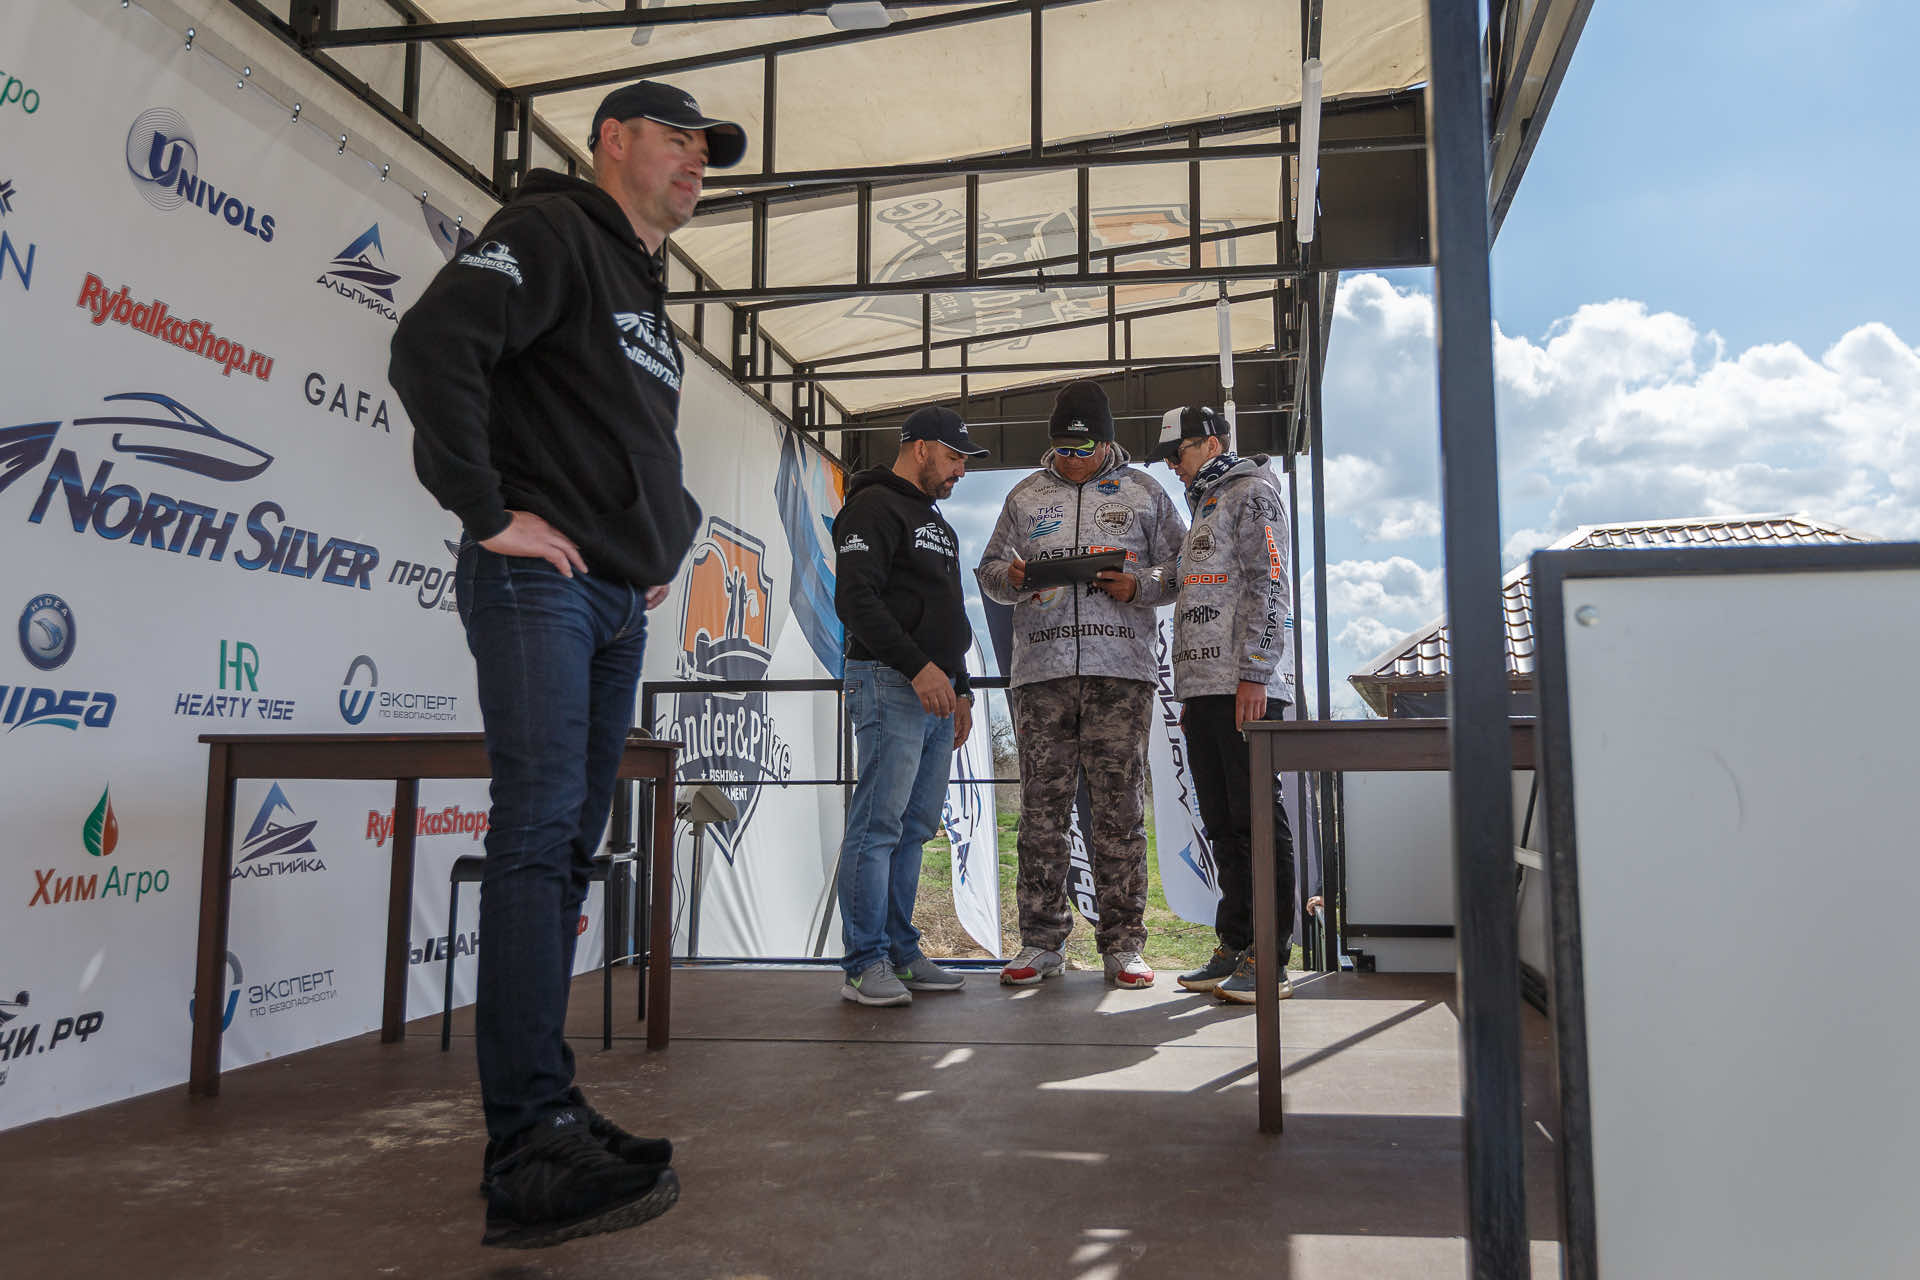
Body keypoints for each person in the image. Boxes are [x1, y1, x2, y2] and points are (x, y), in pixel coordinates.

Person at [390, 80, 747, 1249]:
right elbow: (433, 345)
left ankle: (547, 1103)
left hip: (609, 598)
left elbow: (632, 447)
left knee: (565, 853)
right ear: (613, 141)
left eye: (707, 149)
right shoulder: (550, 229)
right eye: (677, 138)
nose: (696, 160)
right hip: (538, 585)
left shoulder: (644, 286)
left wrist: (649, 545)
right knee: (539, 838)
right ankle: (526, 1146)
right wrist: (489, 511)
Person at [976, 381, 1187, 989]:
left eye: (1082, 447)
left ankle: (1123, 944)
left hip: (1120, 673)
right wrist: (1014, 579)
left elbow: (1180, 568)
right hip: (1040, 675)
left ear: (1106, 440)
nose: (1071, 459)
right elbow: (989, 571)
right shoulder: (1025, 495)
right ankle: (1041, 941)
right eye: (1062, 448)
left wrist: (1140, 586)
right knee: (1041, 811)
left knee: (1119, 810)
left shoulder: (1146, 492)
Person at [831, 406, 985, 1006]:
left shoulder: (937, 522)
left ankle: (901, 952)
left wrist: (961, 687)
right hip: (889, 681)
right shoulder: (870, 507)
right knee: (877, 826)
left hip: (936, 691)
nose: (960, 472)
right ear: (921, 448)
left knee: (915, 828)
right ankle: (863, 963)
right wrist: (917, 668)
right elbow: (856, 600)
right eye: (954, 457)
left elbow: (948, 614)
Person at [1146, 406, 1298, 1005]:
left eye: (1176, 453)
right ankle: (1235, 943)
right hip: (1204, 690)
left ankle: (1270, 957)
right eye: (1165, 457)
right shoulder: (1205, 503)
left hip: (1246, 688)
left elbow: (1271, 582)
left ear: (1211, 444)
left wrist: (1255, 674)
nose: (1171, 465)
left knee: (1255, 819)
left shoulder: (1253, 493)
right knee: (1221, 823)